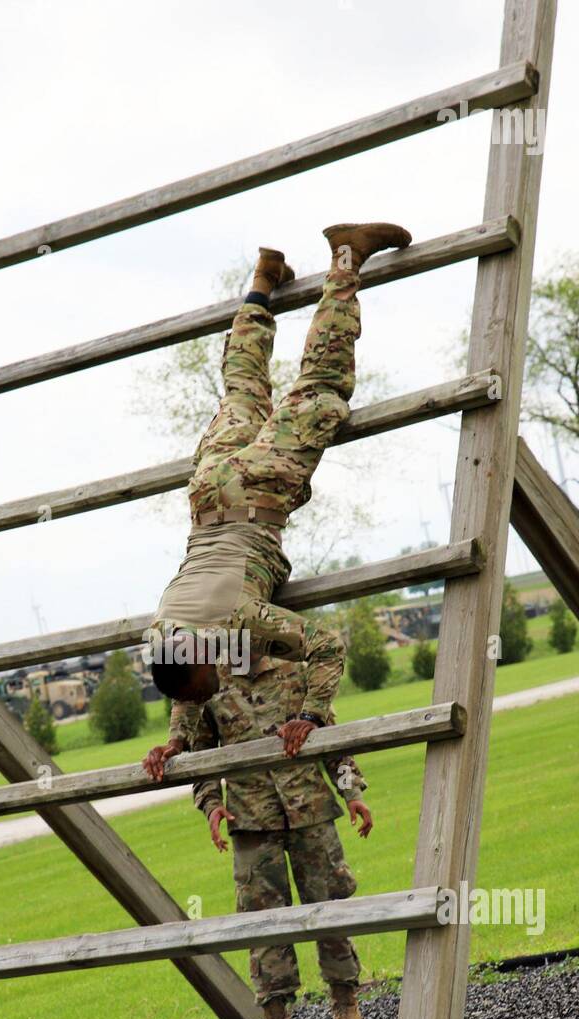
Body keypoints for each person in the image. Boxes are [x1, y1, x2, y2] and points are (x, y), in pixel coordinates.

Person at [146, 220, 411, 768]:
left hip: (255, 492)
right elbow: (187, 685)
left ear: (199, 654)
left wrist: (310, 715)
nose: (213, 685)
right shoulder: (165, 629)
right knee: (242, 389)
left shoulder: (235, 625)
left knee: (321, 388)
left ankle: (347, 256)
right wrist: (177, 739)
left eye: (206, 680)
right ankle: (264, 282)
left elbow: (327, 646)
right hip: (207, 490)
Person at [143, 655, 373, 1019]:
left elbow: (331, 741)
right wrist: (212, 805)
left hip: (310, 811)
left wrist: (351, 794)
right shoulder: (209, 682)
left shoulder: (294, 667)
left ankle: (344, 1002)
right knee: (264, 924)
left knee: (330, 910)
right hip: (251, 819)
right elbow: (202, 758)